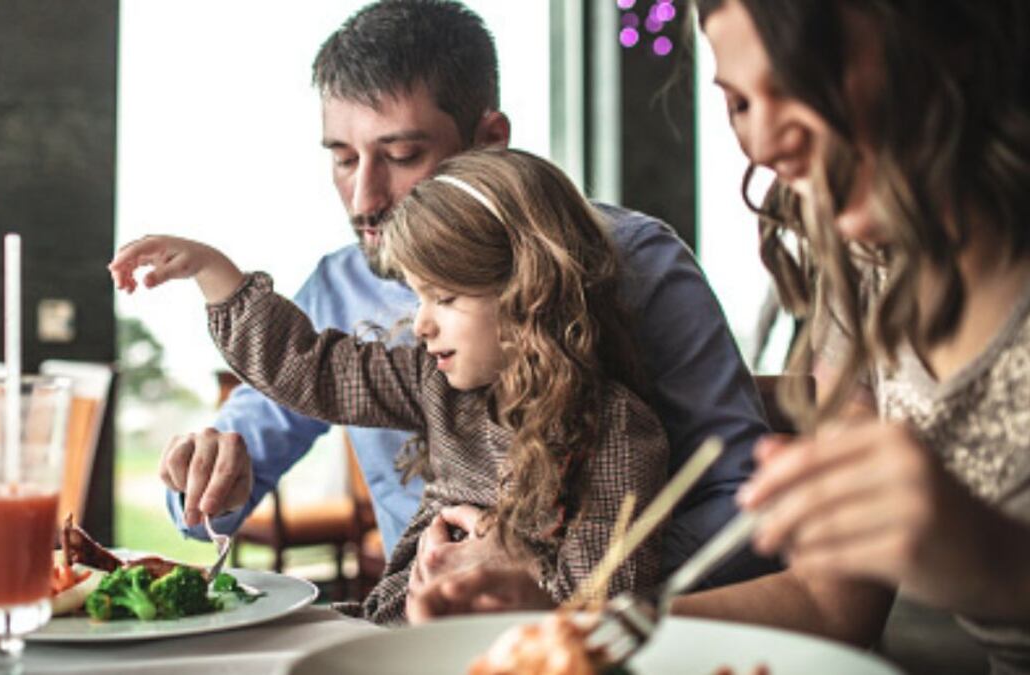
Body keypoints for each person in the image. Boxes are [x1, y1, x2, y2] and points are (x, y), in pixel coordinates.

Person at [412, 0, 1030, 670]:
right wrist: (565, 618)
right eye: (739, 102)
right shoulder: (864, 275)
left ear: (947, 41)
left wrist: (995, 557)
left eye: (802, 78)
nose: (764, 141)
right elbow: (832, 602)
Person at [161, 0, 773, 590]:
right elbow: (205, 503)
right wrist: (206, 476)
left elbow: (741, 504)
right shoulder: (337, 288)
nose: (363, 200)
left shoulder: (636, 264)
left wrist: (553, 580)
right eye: (344, 159)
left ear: (490, 141)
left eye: (401, 155)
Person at [111, 147, 676, 624]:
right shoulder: (437, 383)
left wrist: (520, 567)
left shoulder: (619, 434)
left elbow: (607, 606)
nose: (423, 323)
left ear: (530, 293)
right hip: (392, 631)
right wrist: (216, 275)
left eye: (446, 299)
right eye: (419, 296)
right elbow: (314, 370)